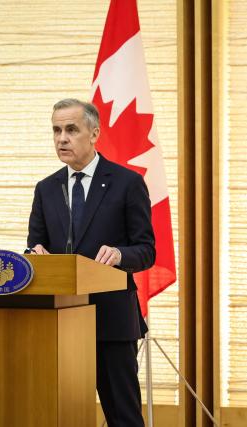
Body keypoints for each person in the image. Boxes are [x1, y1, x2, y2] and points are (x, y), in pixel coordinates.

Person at [28, 98, 154, 427]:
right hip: (58, 321)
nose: (61, 138)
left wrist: (121, 254)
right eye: (56, 130)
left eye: (71, 130)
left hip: (111, 320)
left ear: (94, 133)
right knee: (59, 414)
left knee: (123, 417)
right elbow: (34, 245)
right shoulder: (46, 189)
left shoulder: (126, 183)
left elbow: (146, 249)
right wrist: (35, 256)